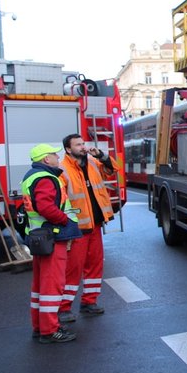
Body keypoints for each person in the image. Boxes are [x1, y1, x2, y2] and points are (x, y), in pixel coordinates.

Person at [21, 143, 83, 344]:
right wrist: (64, 220)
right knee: (52, 285)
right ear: (46, 159)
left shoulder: (32, 176)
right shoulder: (46, 178)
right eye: (54, 154)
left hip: (41, 237)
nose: (58, 157)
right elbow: (46, 206)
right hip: (52, 237)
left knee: (40, 286)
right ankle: (49, 330)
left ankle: (40, 326)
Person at [58, 134, 117, 322]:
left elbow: (112, 170)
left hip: (95, 224)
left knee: (95, 264)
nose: (83, 147)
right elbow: (61, 199)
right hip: (77, 227)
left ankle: (89, 302)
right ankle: (64, 307)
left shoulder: (92, 162)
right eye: (78, 144)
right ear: (68, 149)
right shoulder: (62, 168)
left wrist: (101, 155)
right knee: (73, 269)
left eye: (83, 143)